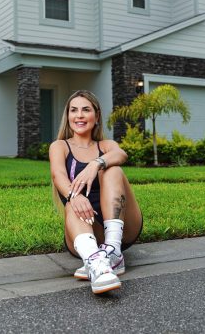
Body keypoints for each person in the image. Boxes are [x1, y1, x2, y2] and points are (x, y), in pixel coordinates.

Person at [49, 90, 143, 294]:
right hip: (85, 229)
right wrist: (75, 196)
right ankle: (96, 263)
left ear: (97, 116)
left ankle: (113, 251)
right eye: (74, 110)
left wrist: (96, 164)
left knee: (113, 168)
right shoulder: (60, 146)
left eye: (86, 110)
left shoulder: (106, 145)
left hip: (122, 228)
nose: (79, 115)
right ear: (68, 116)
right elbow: (58, 177)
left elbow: (121, 154)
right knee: (73, 202)